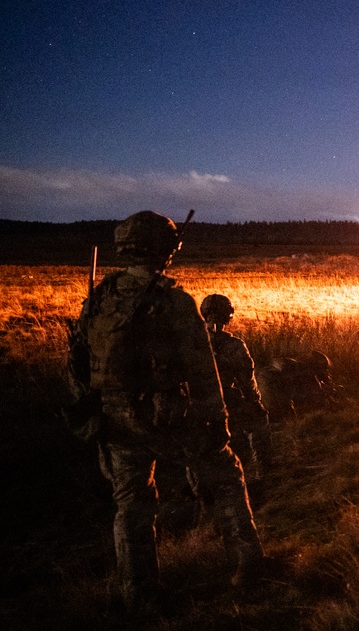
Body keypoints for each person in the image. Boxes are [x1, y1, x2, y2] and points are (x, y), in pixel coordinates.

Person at [66, 211, 264, 614]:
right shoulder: (174, 302)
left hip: (115, 421)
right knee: (226, 477)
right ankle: (249, 569)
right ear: (165, 249)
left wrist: (93, 410)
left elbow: (77, 362)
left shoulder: (101, 296)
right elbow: (202, 371)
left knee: (132, 506)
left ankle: (140, 595)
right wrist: (218, 424)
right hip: (169, 417)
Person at [199, 294, 273, 480]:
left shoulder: (192, 343)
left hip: (197, 402)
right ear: (227, 316)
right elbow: (246, 380)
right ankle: (263, 472)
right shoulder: (235, 346)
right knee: (259, 420)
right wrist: (255, 402)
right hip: (227, 401)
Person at [258, 350, 335, 419]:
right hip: (270, 385)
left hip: (262, 382)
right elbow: (317, 397)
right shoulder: (306, 372)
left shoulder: (295, 364)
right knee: (287, 417)